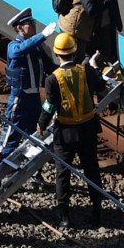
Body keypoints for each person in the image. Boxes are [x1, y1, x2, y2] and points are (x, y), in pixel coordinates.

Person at [45, 32, 103, 219]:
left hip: (65, 133)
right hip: (88, 130)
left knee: (63, 174)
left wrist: (41, 124)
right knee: (92, 170)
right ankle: (97, 212)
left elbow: (49, 106)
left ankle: (65, 218)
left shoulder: (52, 79)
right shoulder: (86, 71)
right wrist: (94, 67)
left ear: (57, 55)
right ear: (74, 52)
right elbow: (101, 86)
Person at [0, 8, 53, 162]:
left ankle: (34, 169)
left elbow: (50, 67)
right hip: (19, 98)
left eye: (33, 22)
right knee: (11, 134)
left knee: (35, 135)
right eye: (30, 23)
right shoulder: (14, 45)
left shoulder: (37, 47)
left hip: (34, 97)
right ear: (20, 28)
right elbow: (18, 51)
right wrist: (42, 36)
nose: (34, 26)